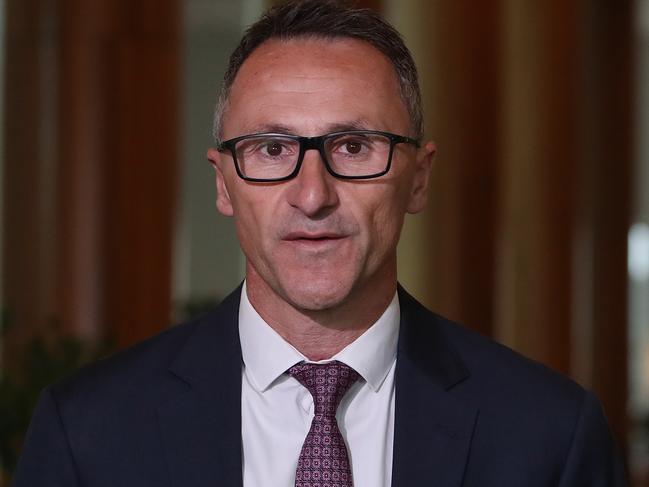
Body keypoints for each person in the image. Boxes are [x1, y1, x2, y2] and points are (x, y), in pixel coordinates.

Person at [12, 1, 628, 486]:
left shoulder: (549, 435)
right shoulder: (87, 430)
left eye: (354, 147)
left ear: (418, 178)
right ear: (224, 184)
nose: (312, 195)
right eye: (272, 149)